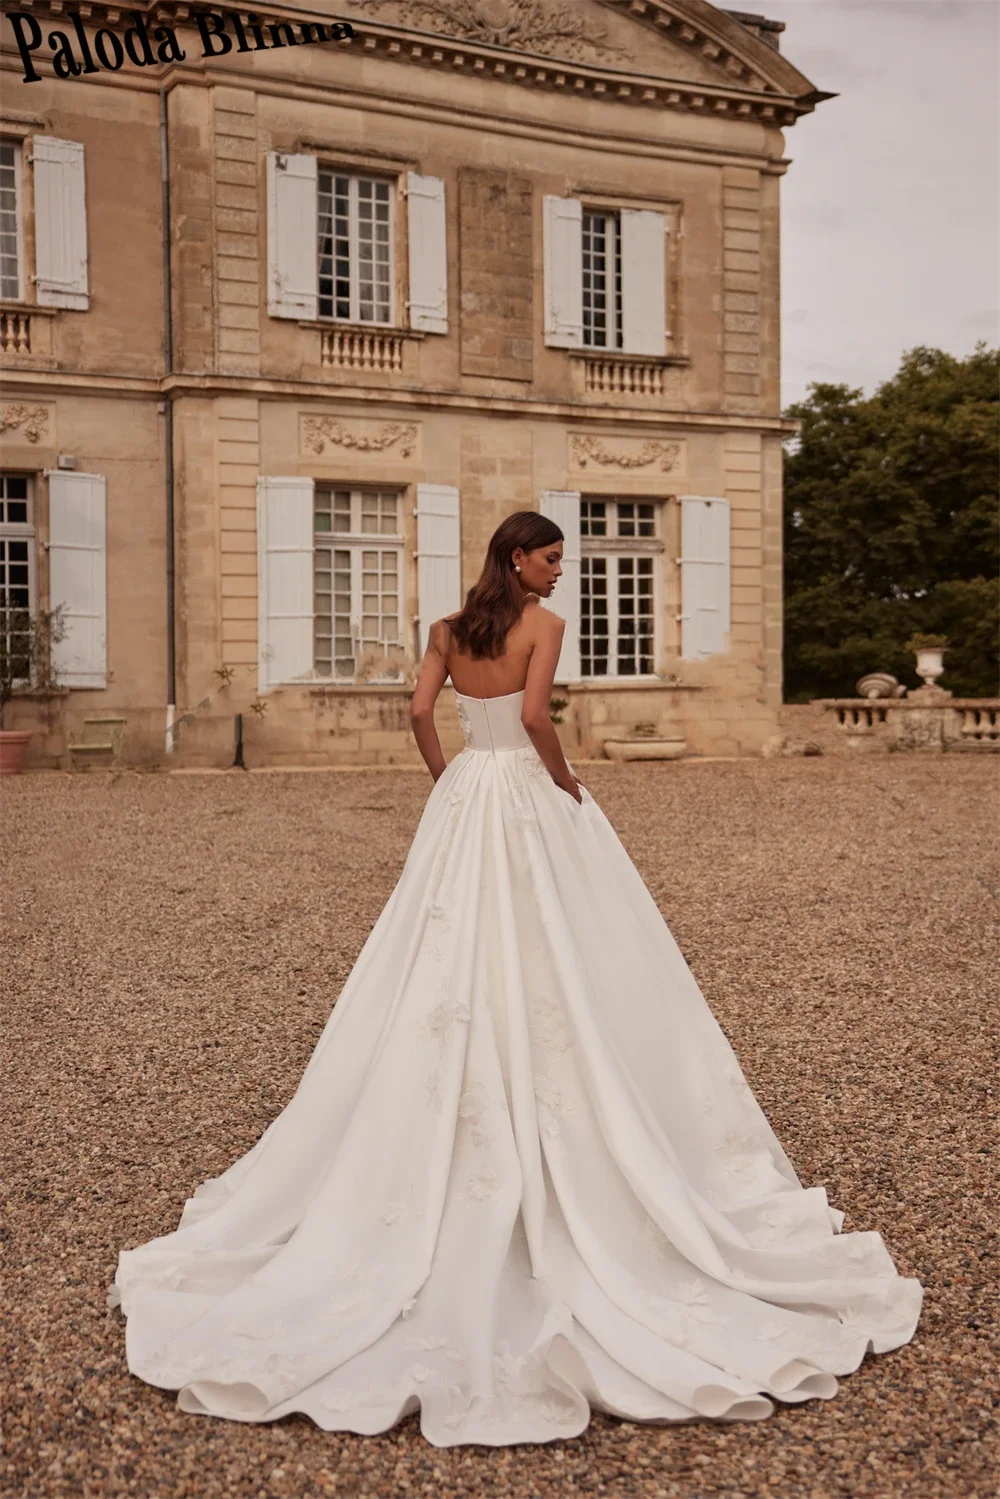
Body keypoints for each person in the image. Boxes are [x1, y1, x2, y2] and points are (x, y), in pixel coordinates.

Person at [108, 510, 922, 1448]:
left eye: (562, 560)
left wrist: (445, 777)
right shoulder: (541, 629)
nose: (559, 572)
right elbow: (536, 718)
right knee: (563, 945)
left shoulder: (449, 633)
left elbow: (419, 711)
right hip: (524, 791)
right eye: (548, 557)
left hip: (468, 792)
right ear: (515, 558)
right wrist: (565, 782)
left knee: (442, 951)